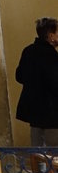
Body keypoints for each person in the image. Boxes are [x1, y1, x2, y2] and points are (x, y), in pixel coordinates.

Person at [15, 17, 58, 146]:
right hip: (52, 115)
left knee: (38, 155)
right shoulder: (51, 56)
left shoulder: (28, 51)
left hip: (34, 114)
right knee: (53, 156)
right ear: (51, 36)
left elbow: (19, 76)